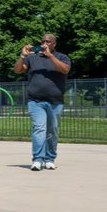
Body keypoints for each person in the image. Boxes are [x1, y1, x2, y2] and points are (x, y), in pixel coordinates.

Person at [13, 33, 71, 171]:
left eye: (48, 42)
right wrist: (23, 56)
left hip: (55, 101)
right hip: (35, 100)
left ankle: (50, 159)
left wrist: (50, 56)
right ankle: (38, 159)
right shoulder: (32, 58)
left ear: (54, 44)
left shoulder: (62, 57)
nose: (45, 44)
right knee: (39, 128)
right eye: (43, 41)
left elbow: (65, 69)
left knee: (52, 130)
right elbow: (17, 70)